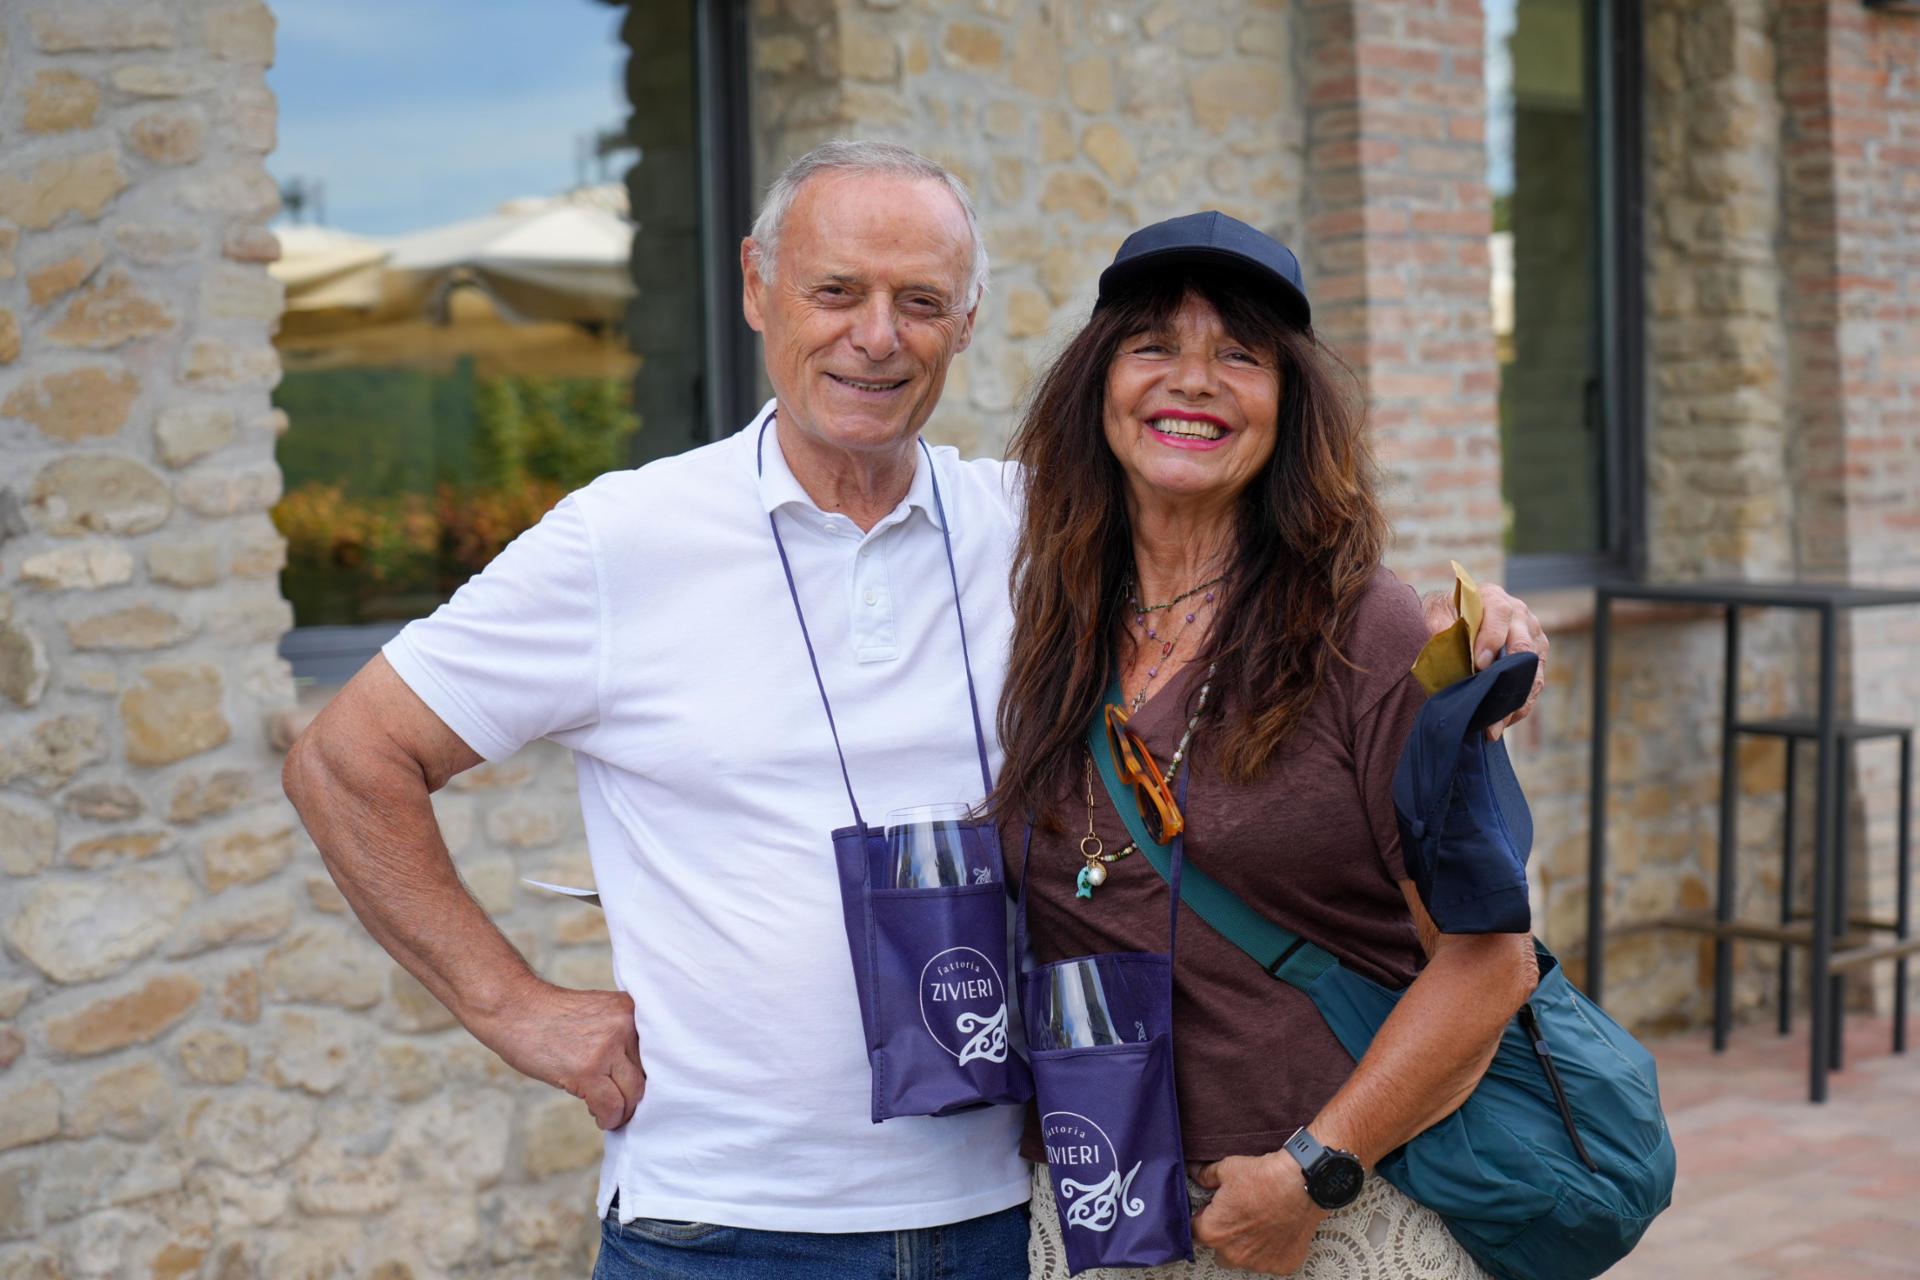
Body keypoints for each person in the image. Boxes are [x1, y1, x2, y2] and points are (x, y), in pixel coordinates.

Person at [282, 144, 1546, 1280]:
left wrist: (1473, 629)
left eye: (922, 302)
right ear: (756, 287)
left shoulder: (1034, 533)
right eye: (836, 291)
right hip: (722, 1226)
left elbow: (1236, 541)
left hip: (1008, 1214)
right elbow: (348, 758)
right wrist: (513, 1006)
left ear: (967, 320)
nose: (876, 337)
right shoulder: (624, 540)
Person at [994, 213, 1544, 1279]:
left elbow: (1490, 962)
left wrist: (1313, 1172)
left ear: (1289, 405)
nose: (1192, 380)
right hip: (1098, 1206)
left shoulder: (1365, 630)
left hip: (1334, 1214)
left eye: (1240, 355)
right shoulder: (1045, 614)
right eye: (1153, 345)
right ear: (1098, 383)